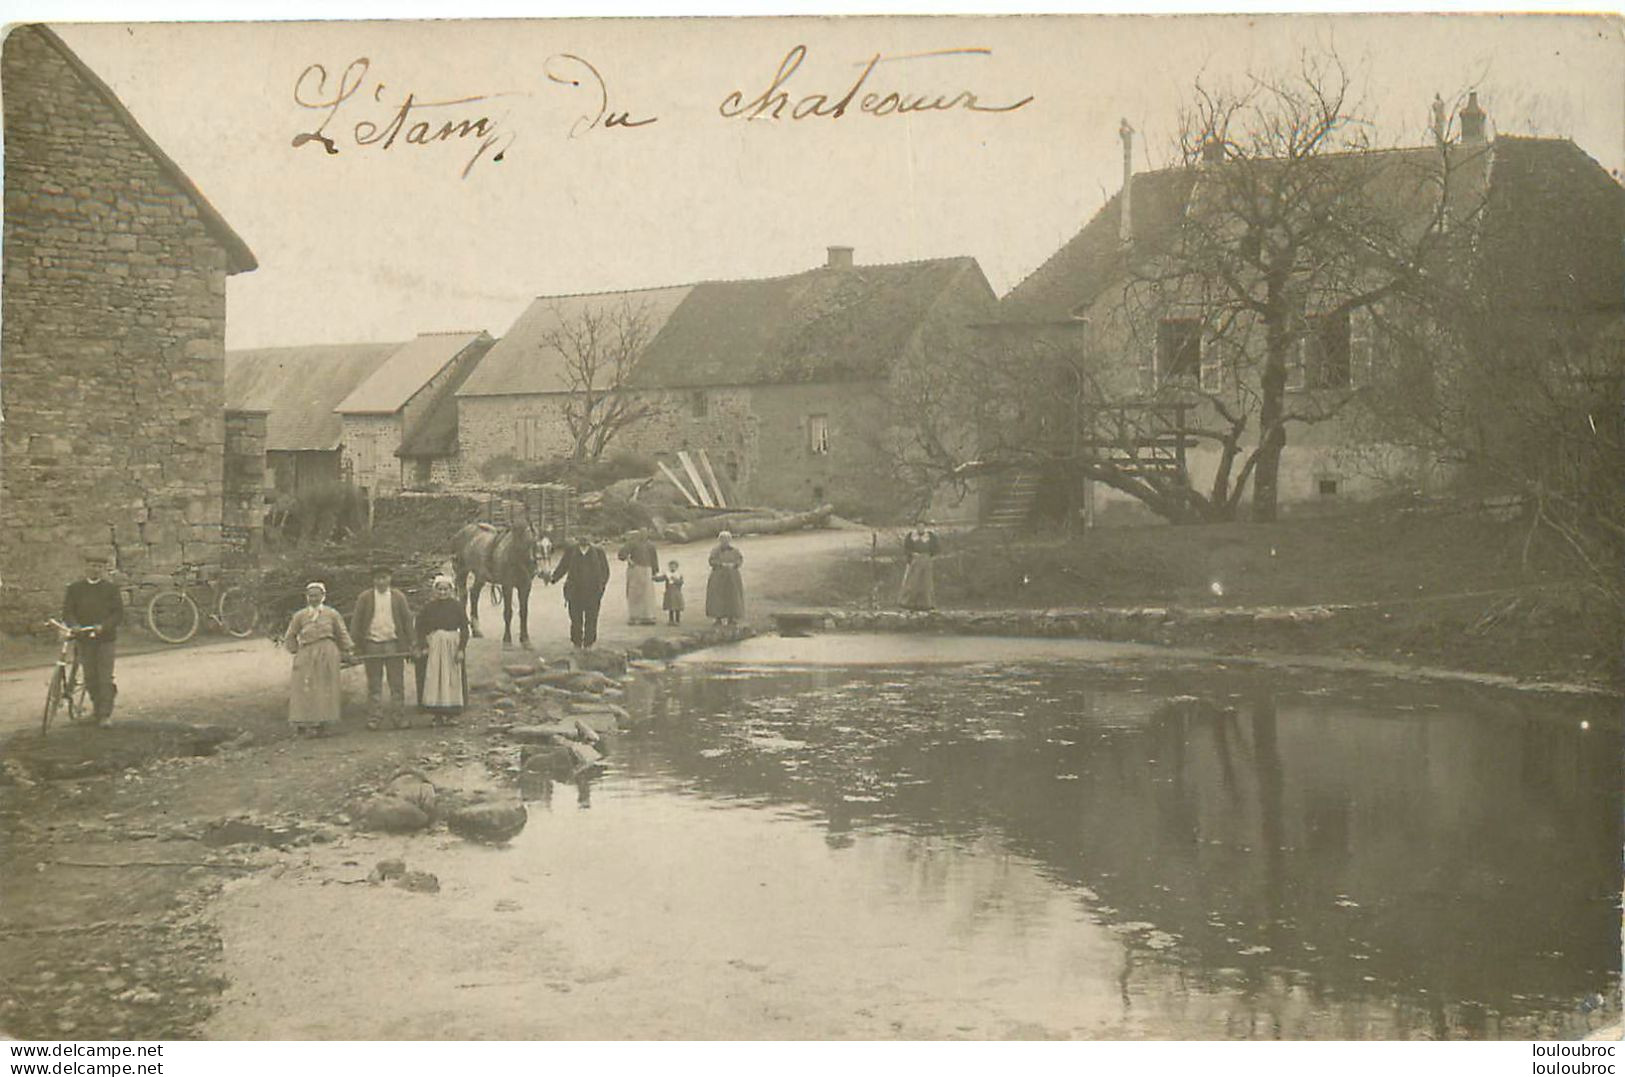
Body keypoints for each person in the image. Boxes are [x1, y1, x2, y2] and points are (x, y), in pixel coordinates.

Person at [283, 582, 353, 736]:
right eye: (310, 596)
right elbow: (290, 635)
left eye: (316, 595)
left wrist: (347, 650)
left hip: (327, 651)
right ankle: (304, 721)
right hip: (307, 651)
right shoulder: (300, 615)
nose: (313, 599)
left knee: (325, 686)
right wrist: (295, 650)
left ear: (323, 596)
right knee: (305, 686)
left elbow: (341, 633)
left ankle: (322, 722)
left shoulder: (332, 614)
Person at [349, 566, 415, 729]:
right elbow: (356, 622)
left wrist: (412, 642)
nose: (381, 581)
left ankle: (398, 717)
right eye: (377, 578)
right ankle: (374, 718)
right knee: (374, 684)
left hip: (393, 644)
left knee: (397, 684)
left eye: (384, 578)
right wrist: (355, 646)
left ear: (390, 579)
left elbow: (407, 620)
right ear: (373, 580)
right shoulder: (365, 597)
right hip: (372, 644)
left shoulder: (398, 597)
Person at [62, 550, 123, 724]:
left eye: (99, 566)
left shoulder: (111, 589)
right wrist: (73, 625)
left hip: (105, 639)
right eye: (92, 566)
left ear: (104, 569)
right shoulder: (75, 589)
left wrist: (104, 626)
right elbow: (68, 611)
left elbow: (118, 614)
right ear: (86, 567)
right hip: (84, 639)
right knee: (90, 677)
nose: (95, 569)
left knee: (105, 677)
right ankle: (97, 708)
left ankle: (105, 714)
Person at [414, 574, 469, 726]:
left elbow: (464, 628)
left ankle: (451, 715)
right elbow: (419, 627)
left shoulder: (457, 606)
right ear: (435, 591)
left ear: (451, 590)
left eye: (445, 590)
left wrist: (461, 649)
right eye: (439, 590)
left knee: (451, 678)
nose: (442, 593)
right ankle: (437, 715)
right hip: (435, 646)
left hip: (452, 645)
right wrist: (423, 645)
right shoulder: (429, 608)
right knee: (435, 679)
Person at [548, 535, 611, 649]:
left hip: (592, 592)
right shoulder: (571, 551)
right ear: (578, 538)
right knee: (575, 619)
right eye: (582, 535)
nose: (585, 538)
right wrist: (553, 578)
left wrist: (601, 587)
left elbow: (605, 571)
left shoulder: (598, 552)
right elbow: (563, 567)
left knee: (591, 618)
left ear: (591, 537)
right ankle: (576, 643)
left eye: (587, 535)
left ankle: (589, 644)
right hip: (574, 592)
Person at [617, 529, 661, 626]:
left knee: (647, 594)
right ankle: (634, 616)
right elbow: (621, 554)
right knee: (634, 593)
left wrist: (654, 571)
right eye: (641, 532)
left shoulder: (650, 545)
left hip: (647, 570)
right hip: (635, 569)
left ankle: (647, 616)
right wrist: (629, 560)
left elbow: (654, 559)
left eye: (645, 532)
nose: (643, 534)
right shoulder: (632, 543)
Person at [705, 531, 745, 626]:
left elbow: (740, 560)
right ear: (719, 540)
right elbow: (711, 561)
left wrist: (734, 565)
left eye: (727, 540)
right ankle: (718, 618)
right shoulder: (715, 550)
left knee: (732, 596)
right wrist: (721, 565)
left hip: (732, 577)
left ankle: (731, 618)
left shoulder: (735, 551)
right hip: (718, 577)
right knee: (717, 597)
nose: (725, 541)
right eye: (722, 539)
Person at [899, 523, 941, 611]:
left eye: (922, 526)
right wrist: (911, 555)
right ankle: (908, 603)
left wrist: (930, 555)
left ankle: (927, 603)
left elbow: (936, 548)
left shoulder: (930, 536)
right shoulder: (911, 536)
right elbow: (906, 548)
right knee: (912, 581)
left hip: (926, 559)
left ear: (925, 527)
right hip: (915, 559)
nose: (920, 528)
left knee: (927, 582)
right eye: (918, 526)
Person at [659, 560, 685, 625]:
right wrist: (653, 578)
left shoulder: (679, 575)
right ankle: (671, 620)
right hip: (669, 593)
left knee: (677, 608)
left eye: (674, 567)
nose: (672, 568)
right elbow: (661, 578)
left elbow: (681, 583)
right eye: (671, 566)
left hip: (676, 593)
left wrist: (675, 580)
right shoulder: (667, 574)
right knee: (670, 607)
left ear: (676, 567)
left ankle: (677, 620)